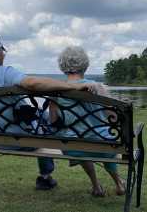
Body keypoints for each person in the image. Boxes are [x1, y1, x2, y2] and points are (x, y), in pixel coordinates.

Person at [0, 35, 96, 191]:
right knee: (48, 123)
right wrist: (72, 86)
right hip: (18, 140)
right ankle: (47, 175)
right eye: (3, 53)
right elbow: (31, 83)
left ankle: (49, 173)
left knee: (41, 118)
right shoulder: (4, 73)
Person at [52, 46, 125, 197]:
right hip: (103, 143)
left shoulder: (56, 90)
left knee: (82, 139)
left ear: (63, 66)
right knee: (102, 138)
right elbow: (115, 117)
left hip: (72, 145)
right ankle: (118, 183)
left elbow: (53, 121)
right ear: (85, 64)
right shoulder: (97, 87)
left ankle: (96, 186)